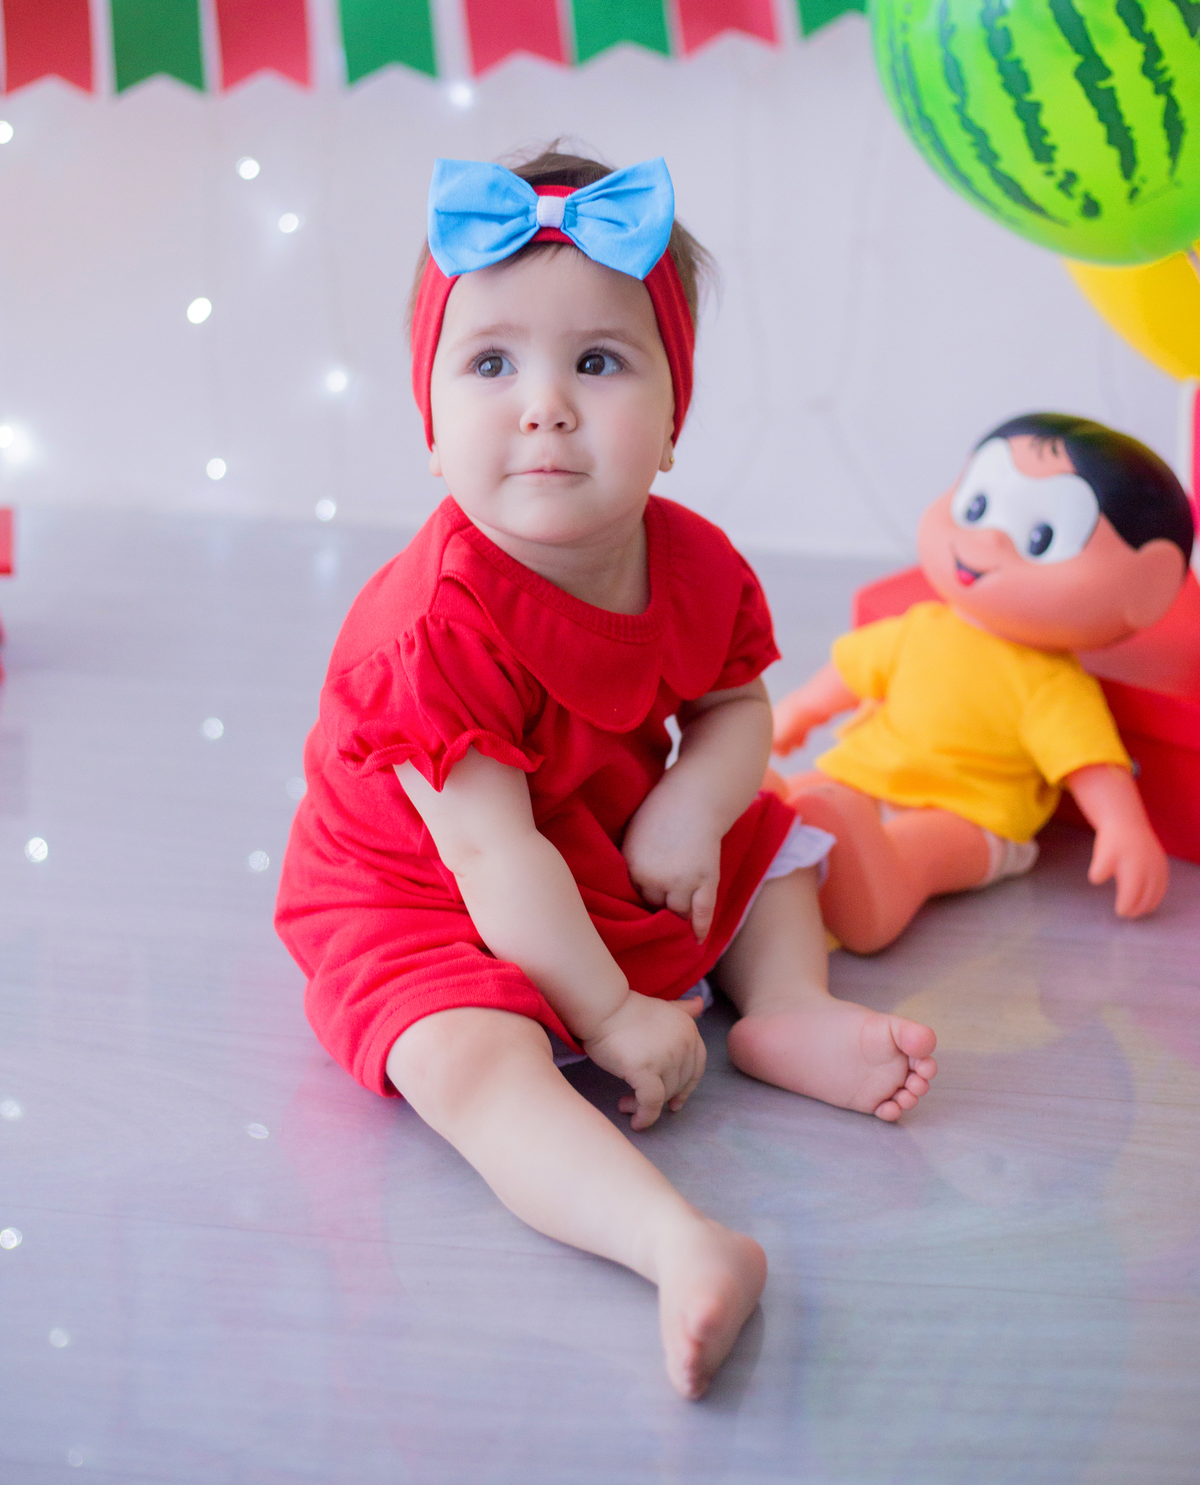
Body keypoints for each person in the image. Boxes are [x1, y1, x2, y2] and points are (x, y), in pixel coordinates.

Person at [275, 146, 937, 1401]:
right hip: (430, 896)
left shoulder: (690, 562)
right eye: (490, 363)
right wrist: (613, 1014)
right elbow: (492, 854)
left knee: (774, 836)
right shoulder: (431, 629)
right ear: (428, 427)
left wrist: (695, 799)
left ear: (674, 417)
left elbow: (740, 708)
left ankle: (785, 1004)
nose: (546, 404)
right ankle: (677, 1242)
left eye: (598, 360)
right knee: (466, 1062)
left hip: (607, 833)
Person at [770, 413, 1194, 955]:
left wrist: (1124, 830)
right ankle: (753, 828)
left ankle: (880, 897)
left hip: (972, 818)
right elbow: (846, 678)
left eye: (1040, 537)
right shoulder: (919, 627)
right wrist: (798, 712)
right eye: (976, 507)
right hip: (861, 781)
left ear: (1147, 587)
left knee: (918, 848)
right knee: (794, 797)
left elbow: (1092, 765)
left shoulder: (1052, 686)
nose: (989, 538)